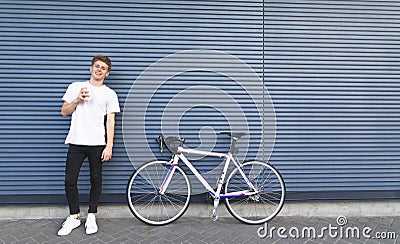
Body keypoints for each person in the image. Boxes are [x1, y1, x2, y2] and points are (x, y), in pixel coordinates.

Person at [57, 55, 120, 236]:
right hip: (76, 141)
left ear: (107, 74)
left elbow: (111, 121)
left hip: (97, 143)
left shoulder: (110, 94)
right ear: (91, 68)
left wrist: (109, 146)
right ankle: (74, 217)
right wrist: (77, 100)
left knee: (96, 179)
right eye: (97, 66)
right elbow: (64, 112)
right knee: (70, 180)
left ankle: (92, 215)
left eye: (103, 68)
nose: (99, 70)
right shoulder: (76, 87)